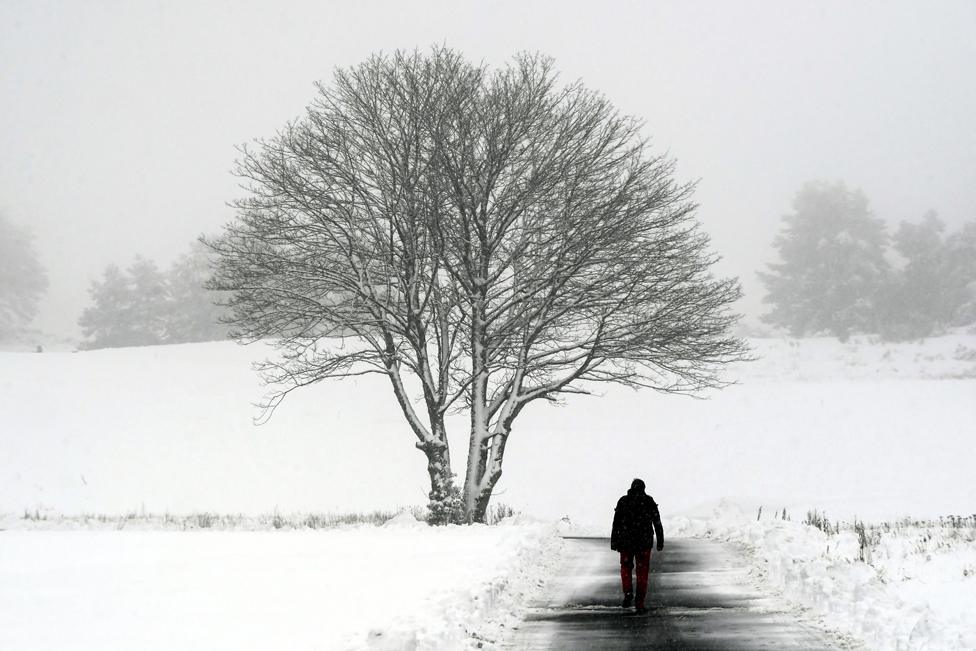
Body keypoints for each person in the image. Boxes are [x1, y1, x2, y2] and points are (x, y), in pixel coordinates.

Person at [610, 478, 664, 614]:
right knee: (642, 573)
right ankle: (640, 603)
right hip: (644, 544)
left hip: (626, 543)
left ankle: (628, 591)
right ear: (644, 489)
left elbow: (616, 523)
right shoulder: (648, 501)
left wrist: (614, 541)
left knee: (626, 568)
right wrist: (660, 540)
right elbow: (657, 522)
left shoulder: (623, 501)